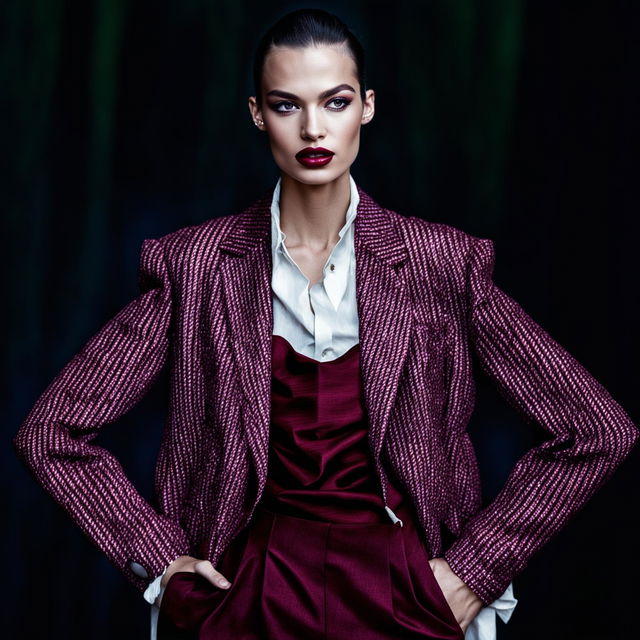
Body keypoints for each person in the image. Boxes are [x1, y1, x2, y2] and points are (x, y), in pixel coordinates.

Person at [13, 7, 638, 640]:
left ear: (366, 106)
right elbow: (52, 433)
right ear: (257, 112)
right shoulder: (197, 267)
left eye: (334, 102)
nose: (314, 127)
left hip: (405, 597)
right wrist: (162, 566)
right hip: (248, 599)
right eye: (287, 106)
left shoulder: (440, 265)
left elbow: (597, 431)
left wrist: (476, 570)